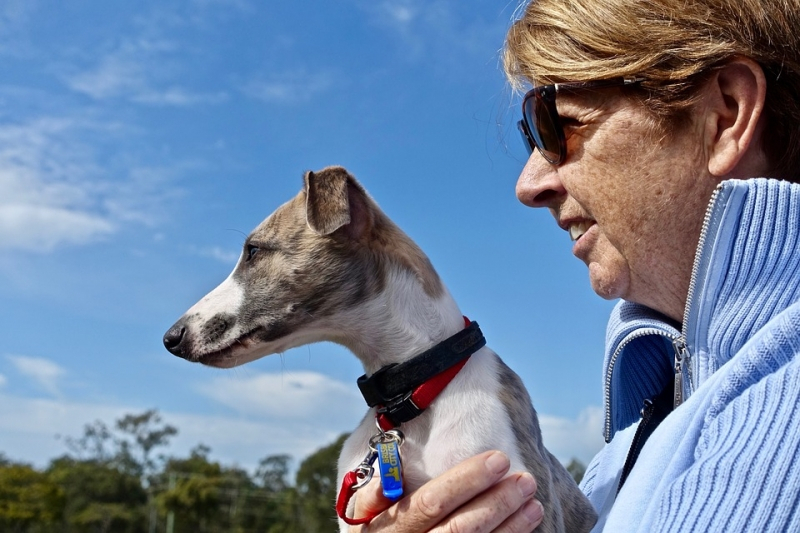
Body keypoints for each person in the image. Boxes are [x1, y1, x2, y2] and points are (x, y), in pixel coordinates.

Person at [349, 0, 800, 530]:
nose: (529, 185)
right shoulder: (632, 445)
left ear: (725, 113)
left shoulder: (779, 412)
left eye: (557, 126)